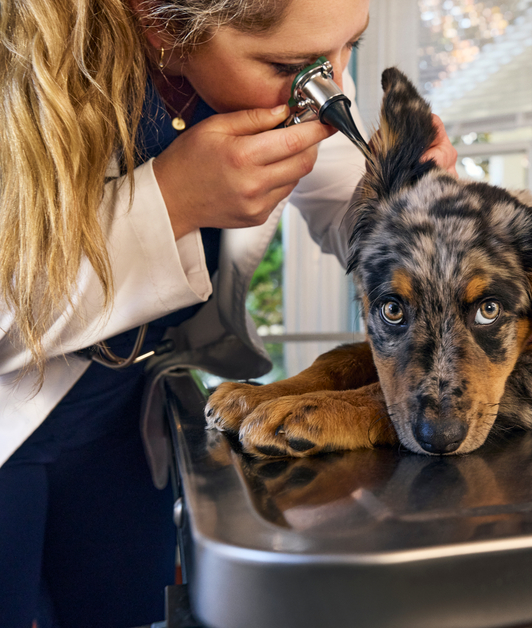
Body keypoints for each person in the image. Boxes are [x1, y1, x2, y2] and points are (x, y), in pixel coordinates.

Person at [0, 0, 456, 626]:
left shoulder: (296, 69)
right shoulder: (23, 71)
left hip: (121, 412)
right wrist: (172, 201)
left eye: (351, 44)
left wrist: (406, 212)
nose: (331, 84)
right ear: (162, 25)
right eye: (294, 63)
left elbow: (346, 204)